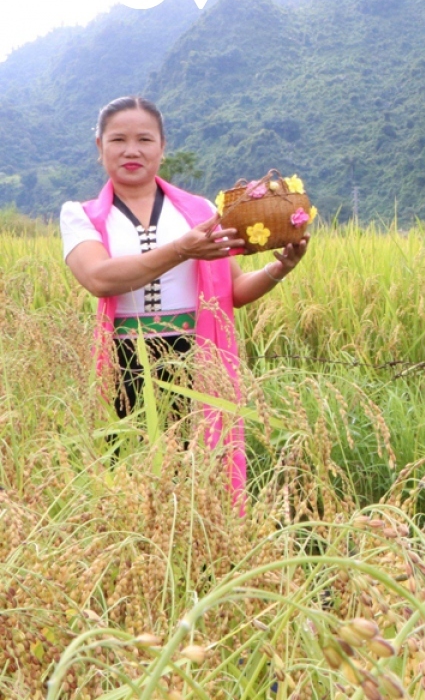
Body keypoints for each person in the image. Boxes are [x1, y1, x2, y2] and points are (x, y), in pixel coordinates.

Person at [60, 96, 309, 500]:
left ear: (162, 146)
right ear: (100, 146)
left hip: (197, 358)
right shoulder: (81, 215)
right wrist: (181, 250)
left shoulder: (199, 211)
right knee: (129, 481)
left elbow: (234, 293)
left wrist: (278, 269)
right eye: (118, 139)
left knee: (201, 482)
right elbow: (98, 278)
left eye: (145, 139)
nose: (131, 150)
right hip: (124, 365)